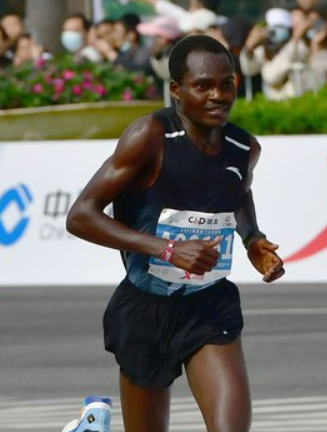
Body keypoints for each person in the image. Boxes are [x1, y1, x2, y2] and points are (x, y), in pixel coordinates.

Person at [66, 35, 285, 431]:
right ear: (176, 90)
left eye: (227, 84)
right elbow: (81, 216)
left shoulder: (243, 147)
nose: (218, 95)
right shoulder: (149, 137)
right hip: (145, 309)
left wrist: (253, 239)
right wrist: (167, 249)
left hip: (208, 305)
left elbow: (238, 193)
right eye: (203, 86)